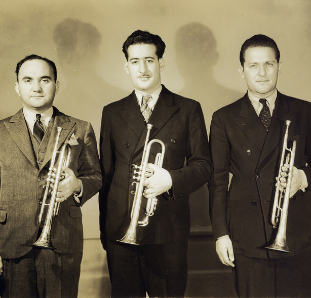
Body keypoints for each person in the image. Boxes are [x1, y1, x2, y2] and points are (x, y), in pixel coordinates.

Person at [99, 30, 212, 297]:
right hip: (121, 231)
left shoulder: (188, 108)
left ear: (161, 63)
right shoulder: (112, 112)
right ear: (126, 67)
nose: (143, 68)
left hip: (168, 230)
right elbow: (106, 176)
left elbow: (204, 165)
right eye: (135, 61)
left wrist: (170, 179)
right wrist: (106, 232)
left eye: (149, 60)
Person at [209, 34, 311, 297]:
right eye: (253, 65)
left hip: (299, 235)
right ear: (242, 70)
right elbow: (217, 181)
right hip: (248, 236)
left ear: (279, 66)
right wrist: (221, 234)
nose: (262, 73)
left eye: (269, 64)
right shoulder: (224, 118)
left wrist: (304, 177)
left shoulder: (305, 112)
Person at [0, 54, 102, 298]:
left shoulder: (80, 127)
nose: (36, 87)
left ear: (57, 85)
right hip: (13, 242)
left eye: (45, 80)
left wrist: (77, 185)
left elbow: (95, 176)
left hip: (62, 240)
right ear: (17, 87)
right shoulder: (0, 132)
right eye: (28, 80)